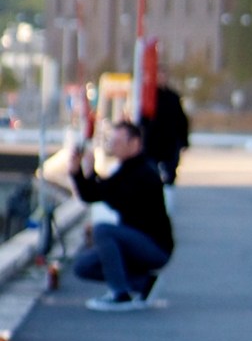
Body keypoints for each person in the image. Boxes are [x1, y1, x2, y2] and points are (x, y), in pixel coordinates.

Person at [69, 119, 174, 312]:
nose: (113, 146)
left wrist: (92, 175)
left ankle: (120, 294)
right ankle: (144, 283)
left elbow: (114, 196)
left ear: (134, 143)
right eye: (112, 141)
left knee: (103, 231)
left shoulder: (144, 172)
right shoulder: (126, 169)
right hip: (132, 241)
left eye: (117, 142)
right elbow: (94, 194)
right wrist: (77, 173)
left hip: (154, 246)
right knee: (83, 266)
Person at [142, 71, 190, 186]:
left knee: (170, 172)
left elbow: (181, 120)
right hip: (152, 141)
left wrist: (184, 140)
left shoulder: (173, 97)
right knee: (151, 172)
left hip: (170, 142)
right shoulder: (149, 98)